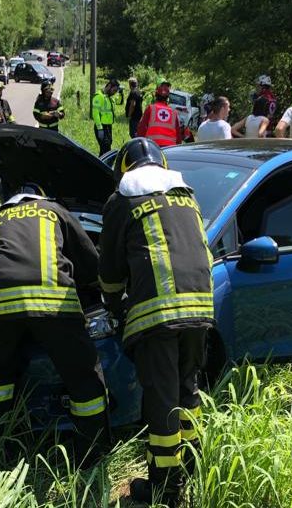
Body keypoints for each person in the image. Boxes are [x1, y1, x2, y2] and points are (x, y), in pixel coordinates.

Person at [99, 138, 215, 507]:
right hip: (200, 309)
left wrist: (114, 305)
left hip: (158, 316)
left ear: (123, 169)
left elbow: (111, 271)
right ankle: (195, 468)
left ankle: (166, 491)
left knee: (161, 404)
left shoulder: (123, 200)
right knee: (187, 390)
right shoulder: (187, 196)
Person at [0, 182, 110, 467]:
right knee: (83, 376)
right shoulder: (54, 211)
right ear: (40, 196)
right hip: (51, 302)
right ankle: (91, 452)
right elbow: (88, 261)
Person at [136, 78, 184, 147]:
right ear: (168, 97)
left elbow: (141, 129)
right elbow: (178, 137)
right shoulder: (174, 113)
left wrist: (139, 145)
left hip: (153, 148)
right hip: (170, 149)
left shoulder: (150, 108)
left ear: (156, 94)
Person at [92, 78, 119, 155]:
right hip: (101, 127)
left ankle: (99, 165)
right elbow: (95, 114)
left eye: (116, 91)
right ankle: (103, 165)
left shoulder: (108, 97)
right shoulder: (99, 96)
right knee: (106, 150)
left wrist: (121, 94)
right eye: (114, 90)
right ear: (109, 86)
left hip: (108, 126)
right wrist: (100, 128)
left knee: (105, 149)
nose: (114, 93)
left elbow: (120, 102)